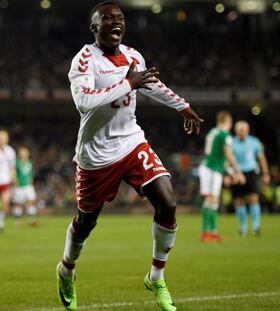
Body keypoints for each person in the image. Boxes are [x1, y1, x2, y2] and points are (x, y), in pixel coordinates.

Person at [55, 2, 203, 311]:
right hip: (95, 154)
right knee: (86, 222)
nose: (114, 22)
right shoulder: (83, 60)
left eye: (119, 18)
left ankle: (156, 277)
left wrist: (181, 105)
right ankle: (67, 268)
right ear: (94, 27)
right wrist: (127, 83)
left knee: (167, 201)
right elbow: (83, 101)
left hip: (131, 142)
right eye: (106, 19)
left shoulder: (134, 56)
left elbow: (150, 83)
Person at [199, 111, 244, 242]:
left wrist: (229, 171)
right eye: (230, 122)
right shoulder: (225, 135)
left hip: (206, 166)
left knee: (208, 200)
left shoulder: (213, 132)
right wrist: (238, 172)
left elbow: (216, 154)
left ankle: (205, 232)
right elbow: (228, 154)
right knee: (213, 200)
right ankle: (212, 233)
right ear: (226, 120)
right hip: (213, 170)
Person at [232, 121, 270, 236]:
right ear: (236, 131)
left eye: (244, 130)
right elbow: (228, 159)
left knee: (254, 198)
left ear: (248, 130)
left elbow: (261, 158)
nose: (242, 132)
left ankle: (256, 226)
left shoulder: (254, 142)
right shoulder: (231, 142)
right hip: (238, 173)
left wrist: (266, 174)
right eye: (240, 130)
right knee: (239, 201)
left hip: (251, 172)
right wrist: (230, 174)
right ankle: (243, 228)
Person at [12, 147, 39, 226]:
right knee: (18, 204)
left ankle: (32, 219)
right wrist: (14, 180)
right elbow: (13, 172)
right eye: (22, 152)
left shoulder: (30, 162)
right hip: (19, 187)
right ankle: (17, 220)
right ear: (19, 154)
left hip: (28, 186)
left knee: (31, 201)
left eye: (25, 152)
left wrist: (31, 180)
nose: (24, 154)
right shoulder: (16, 163)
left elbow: (31, 173)